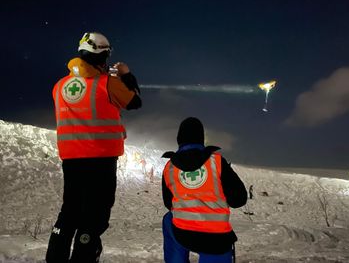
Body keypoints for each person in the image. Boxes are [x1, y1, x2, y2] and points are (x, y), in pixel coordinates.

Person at [46, 32, 141, 263]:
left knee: (70, 211)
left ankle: (55, 257)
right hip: (101, 159)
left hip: (71, 159)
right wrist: (126, 76)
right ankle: (84, 257)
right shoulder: (108, 83)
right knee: (95, 214)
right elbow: (135, 101)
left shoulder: (59, 86)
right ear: (104, 55)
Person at [161, 117, 247, 263]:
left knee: (168, 219)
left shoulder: (169, 167)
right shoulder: (217, 162)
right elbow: (239, 200)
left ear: (179, 139)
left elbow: (168, 203)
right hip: (215, 240)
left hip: (183, 234)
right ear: (201, 139)